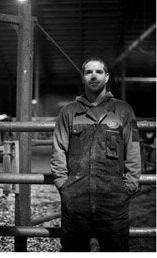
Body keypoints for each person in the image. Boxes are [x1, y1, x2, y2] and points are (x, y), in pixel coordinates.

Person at [51, 57, 141, 251]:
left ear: (107, 77)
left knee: (116, 249)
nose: (94, 76)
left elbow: (133, 148)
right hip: (75, 197)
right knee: (73, 249)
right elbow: (58, 148)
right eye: (88, 72)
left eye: (99, 72)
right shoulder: (68, 112)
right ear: (82, 78)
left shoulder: (124, 110)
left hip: (113, 198)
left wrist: (129, 185)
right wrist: (62, 184)